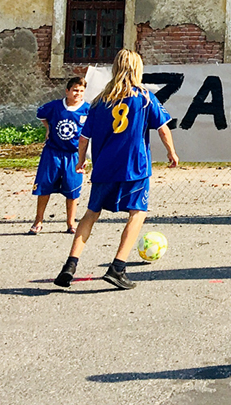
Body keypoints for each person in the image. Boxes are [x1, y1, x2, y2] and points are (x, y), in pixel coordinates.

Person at [53, 49, 178, 291]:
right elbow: (163, 128)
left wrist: (81, 161)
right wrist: (171, 152)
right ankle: (117, 267)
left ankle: (69, 266)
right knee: (138, 213)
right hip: (134, 167)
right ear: (137, 69)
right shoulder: (144, 98)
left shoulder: (99, 101)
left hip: (104, 167)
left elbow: (83, 137)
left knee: (91, 213)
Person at [30, 76, 89, 235]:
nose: (78, 94)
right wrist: (48, 128)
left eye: (81, 91)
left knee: (72, 189)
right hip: (53, 153)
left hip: (74, 155)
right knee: (44, 186)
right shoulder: (55, 106)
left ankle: (71, 223)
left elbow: (91, 133)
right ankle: (38, 221)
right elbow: (41, 114)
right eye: (75, 90)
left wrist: (85, 157)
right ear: (67, 91)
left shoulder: (87, 110)